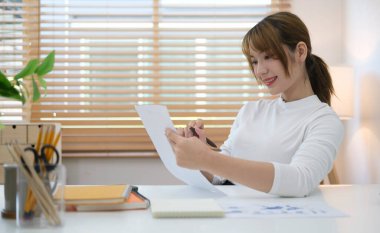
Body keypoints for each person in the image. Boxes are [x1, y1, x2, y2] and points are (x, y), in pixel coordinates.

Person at [165, 12, 344, 197]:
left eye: (269, 56)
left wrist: (207, 158)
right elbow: (218, 175)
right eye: (255, 61)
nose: (260, 70)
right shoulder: (251, 110)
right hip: (234, 216)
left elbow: (300, 181)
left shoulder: (324, 120)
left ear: (300, 52)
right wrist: (200, 156)